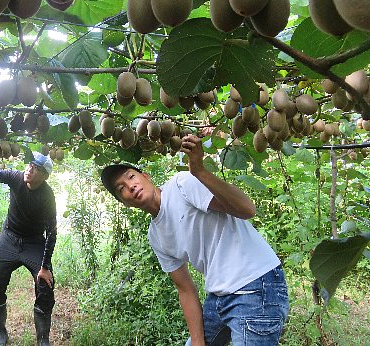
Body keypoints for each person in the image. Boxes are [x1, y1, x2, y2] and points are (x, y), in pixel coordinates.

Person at [100, 134, 289, 345]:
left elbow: (246, 209)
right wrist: (198, 342)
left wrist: (199, 171)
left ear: (146, 176)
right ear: (123, 203)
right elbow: (185, 289)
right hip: (220, 295)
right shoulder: (156, 236)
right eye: (121, 188)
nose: (130, 186)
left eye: (131, 176)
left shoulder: (181, 185)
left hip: (255, 283)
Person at [0, 151, 57, 346]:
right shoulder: (16, 177)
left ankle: (43, 339)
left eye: (36, 168)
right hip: (10, 238)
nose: (30, 169)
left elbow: (52, 232)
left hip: (34, 242)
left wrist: (45, 266)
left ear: (44, 176)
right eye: (30, 165)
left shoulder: (47, 195)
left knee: (45, 286)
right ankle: (0, 332)